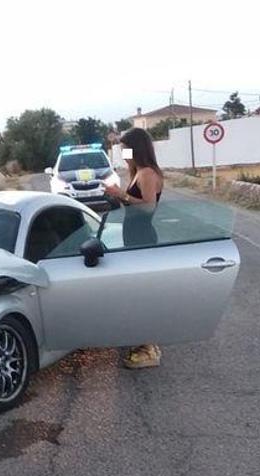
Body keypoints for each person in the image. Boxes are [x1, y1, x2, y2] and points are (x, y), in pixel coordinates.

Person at [104, 127, 164, 369]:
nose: (123, 152)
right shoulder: (138, 172)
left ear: (136, 148)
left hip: (143, 239)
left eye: (126, 148)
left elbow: (148, 207)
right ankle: (146, 342)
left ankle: (148, 348)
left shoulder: (148, 173)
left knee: (142, 295)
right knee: (139, 292)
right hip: (135, 238)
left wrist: (122, 195)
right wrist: (116, 196)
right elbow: (133, 206)